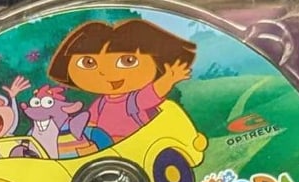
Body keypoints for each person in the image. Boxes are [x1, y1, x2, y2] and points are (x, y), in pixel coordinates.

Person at [47, 19, 195, 143]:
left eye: (128, 60)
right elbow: (91, 121)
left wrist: (168, 79)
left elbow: (153, 93)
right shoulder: (101, 103)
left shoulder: (133, 100)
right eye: (88, 63)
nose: (105, 73)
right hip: (106, 144)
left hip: (135, 143)